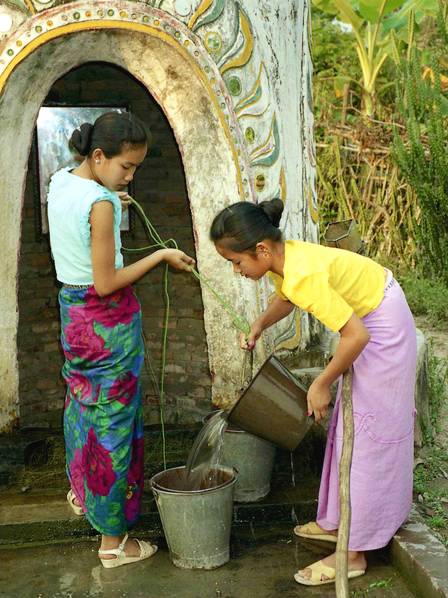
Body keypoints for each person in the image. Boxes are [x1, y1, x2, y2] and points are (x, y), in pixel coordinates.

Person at [209, 199, 416, 587]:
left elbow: (357, 335)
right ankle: (339, 524)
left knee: (368, 436)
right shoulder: (283, 262)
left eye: (235, 262)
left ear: (262, 250)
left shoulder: (301, 273)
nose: (236, 271)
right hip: (370, 316)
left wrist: (321, 383)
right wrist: (259, 324)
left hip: (382, 326)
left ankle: (352, 555)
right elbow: (286, 298)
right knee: (348, 424)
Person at [47, 111, 194, 569]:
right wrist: (161, 256)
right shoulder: (101, 205)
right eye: (125, 167)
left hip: (74, 317)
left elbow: (80, 223)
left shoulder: (61, 181)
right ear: (98, 155)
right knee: (115, 426)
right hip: (106, 323)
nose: (129, 176)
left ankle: (82, 491)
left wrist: (112, 199)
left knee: (83, 406)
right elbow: (108, 281)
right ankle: (114, 541)